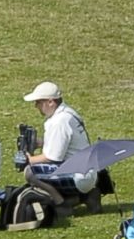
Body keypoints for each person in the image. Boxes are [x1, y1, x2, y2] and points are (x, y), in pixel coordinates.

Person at [18, 82, 98, 212]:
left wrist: (28, 160)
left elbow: (51, 158)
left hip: (78, 177)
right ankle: (86, 196)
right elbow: (64, 143)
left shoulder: (59, 122)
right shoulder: (67, 113)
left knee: (30, 172)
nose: (36, 106)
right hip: (86, 173)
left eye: (39, 102)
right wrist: (41, 143)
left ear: (50, 102)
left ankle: (61, 203)